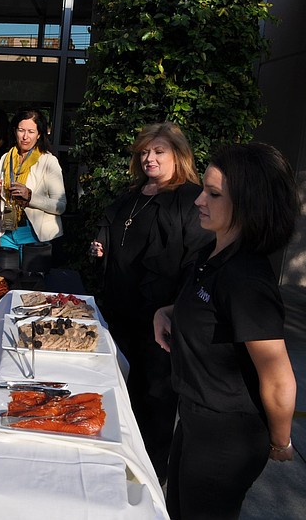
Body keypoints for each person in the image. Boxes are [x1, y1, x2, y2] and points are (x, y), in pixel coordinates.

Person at [153, 142, 298, 519]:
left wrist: (280, 442)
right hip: (194, 417)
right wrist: (165, 313)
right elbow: (204, 308)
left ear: (250, 205)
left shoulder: (247, 279)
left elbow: (279, 377)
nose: (200, 200)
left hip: (226, 435)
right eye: (204, 188)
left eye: (214, 194)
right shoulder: (213, 254)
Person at [89, 122, 212, 482]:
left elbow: (198, 261)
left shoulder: (191, 198)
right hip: (120, 312)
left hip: (160, 320)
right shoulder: (133, 194)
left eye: (159, 151)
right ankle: (115, 468)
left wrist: (177, 311)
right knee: (119, 396)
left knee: (155, 401)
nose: (149, 158)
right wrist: (103, 247)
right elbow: (116, 232)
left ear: (179, 155)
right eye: (144, 152)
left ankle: (149, 480)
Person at [0, 108, 66, 259]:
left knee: (30, 281)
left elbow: (60, 206)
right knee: (6, 278)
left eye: (31, 131)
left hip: (35, 235)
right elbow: (0, 201)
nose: (25, 136)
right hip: (7, 231)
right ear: (15, 131)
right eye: (21, 130)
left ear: (39, 134)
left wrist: (30, 197)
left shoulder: (48, 161)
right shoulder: (6, 158)